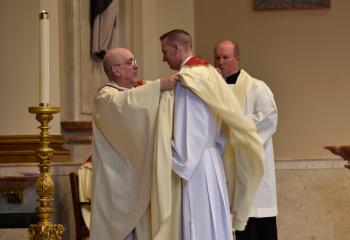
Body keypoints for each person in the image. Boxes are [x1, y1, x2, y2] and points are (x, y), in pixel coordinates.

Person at [159, 29, 265, 239]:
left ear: (177, 48)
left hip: (195, 166)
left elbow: (190, 131)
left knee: (199, 224)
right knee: (215, 222)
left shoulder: (187, 79)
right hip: (212, 160)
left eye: (164, 51)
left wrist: (172, 159)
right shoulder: (211, 73)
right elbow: (223, 122)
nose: (163, 57)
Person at [90, 47, 179, 240]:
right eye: (130, 62)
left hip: (138, 175)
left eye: (135, 60)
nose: (136, 66)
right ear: (116, 70)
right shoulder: (105, 97)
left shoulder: (138, 90)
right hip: (117, 179)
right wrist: (159, 86)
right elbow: (126, 105)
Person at [214, 40, 278, 240]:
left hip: (251, 167)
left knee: (257, 222)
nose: (221, 62)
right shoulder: (212, 91)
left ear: (237, 59)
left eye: (226, 57)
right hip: (223, 164)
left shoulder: (257, 87)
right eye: (217, 57)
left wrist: (235, 126)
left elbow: (269, 117)